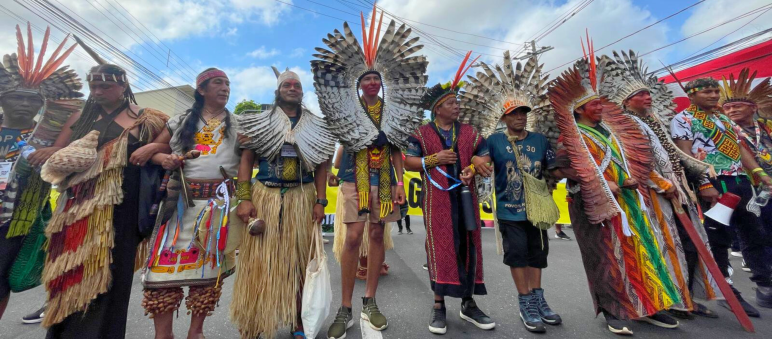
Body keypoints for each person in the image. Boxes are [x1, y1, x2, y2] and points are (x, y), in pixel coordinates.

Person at [311, 7, 428, 338]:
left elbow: (395, 149)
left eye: (376, 78)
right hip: (353, 179)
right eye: (367, 79)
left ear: (382, 83)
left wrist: (401, 182)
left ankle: (371, 301)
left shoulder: (393, 112)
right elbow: (342, 142)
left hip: (386, 182)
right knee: (351, 237)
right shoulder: (347, 109)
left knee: (377, 236)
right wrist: (335, 169)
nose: (372, 82)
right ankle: (345, 306)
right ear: (359, 85)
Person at [550, 52, 681, 335]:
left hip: (630, 202)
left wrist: (632, 179)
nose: (601, 106)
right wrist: (599, 183)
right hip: (592, 205)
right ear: (580, 109)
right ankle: (612, 311)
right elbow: (559, 171)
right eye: (595, 103)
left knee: (642, 250)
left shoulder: (612, 132)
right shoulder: (570, 137)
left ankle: (649, 305)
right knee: (604, 259)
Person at [39, 62, 169, 338]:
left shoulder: (146, 118)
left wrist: (154, 146)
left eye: (105, 86)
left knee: (112, 275)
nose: (97, 91)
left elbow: (175, 140)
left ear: (123, 86)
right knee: (69, 273)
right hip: (76, 208)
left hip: (121, 208)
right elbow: (56, 151)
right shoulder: (78, 119)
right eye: (93, 86)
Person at [599, 51, 720, 318]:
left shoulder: (655, 121)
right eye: (641, 94)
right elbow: (634, 161)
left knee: (688, 244)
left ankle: (687, 296)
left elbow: (673, 155)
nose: (648, 96)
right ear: (628, 101)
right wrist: (661, 183)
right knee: (668, 246)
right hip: (655, 196)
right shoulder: (625, 124)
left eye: (648, 92)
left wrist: (697, 171)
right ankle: (674, 299)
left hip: (677, 192)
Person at [459, 53, 562, 333]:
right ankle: (525, 301)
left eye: (523, 113)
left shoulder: (540, 140)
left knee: (537, 255)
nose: (520, 118)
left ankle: (539, 299)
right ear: (505, 117)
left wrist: (569, 167)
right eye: (514, 113)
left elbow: (554, 169)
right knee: (517, 254)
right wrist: (472, 166)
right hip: (508, 209)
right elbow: (479, 161)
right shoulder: (494, 141)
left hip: (537, 208)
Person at [231, 67, 335, 339]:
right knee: (259, 262)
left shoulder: (317, 124)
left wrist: (321, 201)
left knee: (300, 262)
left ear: (301, 92)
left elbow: (323, 166)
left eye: (297, 85)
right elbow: (245, 161)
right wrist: (243, 198)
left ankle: (298, 320)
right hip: (265, 195)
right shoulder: (259, 121)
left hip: (302, 197)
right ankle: (254, 322)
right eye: (287, 84)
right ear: (277, 91)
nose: (292, 88)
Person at [138, 68, 239, 339]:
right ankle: (164, 335)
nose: (225, 87)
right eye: (218, 82)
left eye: (228, 84)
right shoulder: (180, 121)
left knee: (207, 276)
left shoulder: (239, 124)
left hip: (217, 207)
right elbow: (158, 152)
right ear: (202, 90)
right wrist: (163, 158)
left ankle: (196, 333)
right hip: (179, 204)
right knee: (162, 275)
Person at [404, 52, 495, 335]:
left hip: (466, 198)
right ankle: (439, 305)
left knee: (469, 244)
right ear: (438, 108)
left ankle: (468, 303)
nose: (457, 106)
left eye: (457, 102)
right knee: (441, 247)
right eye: (452, 103)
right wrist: (434, 160)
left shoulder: (469, 132)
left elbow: (484, 155)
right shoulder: (420, 134)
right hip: (437, 201)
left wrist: (475, 165)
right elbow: (409, 161)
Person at [0, 23, 83, 323]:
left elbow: (80, 117)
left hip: (16, 222)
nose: (24, 103)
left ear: (43, 103)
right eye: (16, 97)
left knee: (1, 281)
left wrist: (47, 156)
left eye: (32, 98)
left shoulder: (47, 137)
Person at [671, 77, 772, 316]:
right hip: (715, 185)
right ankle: (727, 290)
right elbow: (685, 155)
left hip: (740, 182)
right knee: (719, 238)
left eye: (716, 91)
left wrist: (759, 173)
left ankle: (764, 284)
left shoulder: (722, 118)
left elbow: (739, 148)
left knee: (754, 231)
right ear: (691, 94)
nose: (714, 95)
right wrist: (704, 184)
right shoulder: (683, 119)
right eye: (707, 91)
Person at [721, 68, 772, 309]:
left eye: (736, 107)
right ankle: (764, 284)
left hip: (769, 189)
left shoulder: (768, 127)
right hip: (747, 191)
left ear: (753, 107)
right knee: (754, 235)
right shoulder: (723, 132)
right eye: (727, 109)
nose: (731, 111)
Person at [330, 145, 394, 280]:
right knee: (357, 233)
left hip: (378, 186)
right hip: (353, 188)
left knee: (376, 231)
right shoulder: (345, 145)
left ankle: (373, 265)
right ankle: (364, 266)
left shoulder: (381, 143)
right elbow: (336, 165)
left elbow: (336, 165)